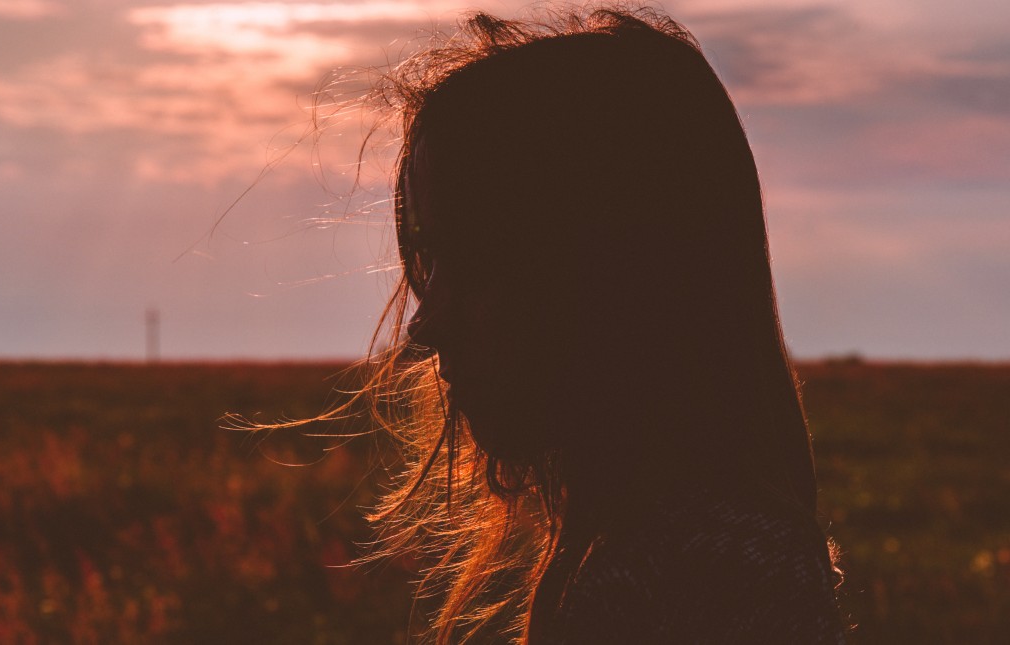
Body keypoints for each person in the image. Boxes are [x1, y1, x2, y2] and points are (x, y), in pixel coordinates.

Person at [350, 5, 845, 643]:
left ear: (610, 272)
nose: (427, 325)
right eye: (430, 263)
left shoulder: (694, 577)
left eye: (477, 261)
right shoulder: (695, 555)